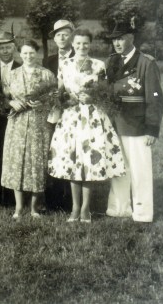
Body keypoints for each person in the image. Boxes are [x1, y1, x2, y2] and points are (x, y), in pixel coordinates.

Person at [49, 29, 126, 223]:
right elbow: (59, 91)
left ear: (90, 44)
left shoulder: (99, 65)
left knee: (88, 160)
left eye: (85, 43)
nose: (81, 46)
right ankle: (75, 207)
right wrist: (67, 99)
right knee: (73, 159)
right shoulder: (65, 64)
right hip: (71, 116)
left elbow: (105, 92)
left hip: (92, 116)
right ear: (73, 44)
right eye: (78, 43)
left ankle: (86, 208)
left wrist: (93, 97)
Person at [105, 22, 163, 223]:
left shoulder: (146, 63)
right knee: (118, 167)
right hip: (115, 123)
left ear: (132, 38)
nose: (117, 43)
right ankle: (119, 208)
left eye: (121, 38)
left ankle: (142, 212)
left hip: (137, 125)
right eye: (114, 39)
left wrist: (152, 129)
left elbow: (155, 97)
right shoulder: (111, 61)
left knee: (140, 171)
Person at [1, 39, 57, 219]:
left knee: (37, 163)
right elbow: (3, 97)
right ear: (20, 54)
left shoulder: (46, 74)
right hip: (17, 124)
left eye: (31, 53)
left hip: (39, 125)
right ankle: (18, 207)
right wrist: (11, 103)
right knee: (17, 162)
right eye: (25, 53)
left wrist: (43, 103)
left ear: (37, 53)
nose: (28, 56)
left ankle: (34, 207)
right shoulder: (12, 74)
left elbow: (55, 99)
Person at [43, 19, 75, 212]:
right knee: (53, 151)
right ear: (54, 39)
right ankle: (53, 199)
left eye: (65, 34)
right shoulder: (49, 61)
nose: (62, 38)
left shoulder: (80, 56)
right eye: (58, 35)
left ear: (72, 36)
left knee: (71, 152)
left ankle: (70, 199)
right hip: (53, 112)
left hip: (72, 112)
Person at [0, 30, 21, 207]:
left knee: (12, 157)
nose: (5, 51)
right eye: (2, 48)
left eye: (8, 47)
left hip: (16, 118)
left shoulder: (22, 68)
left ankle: (10, 197)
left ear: (14, 47)